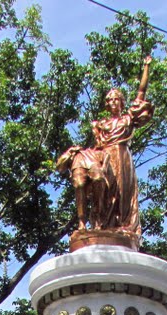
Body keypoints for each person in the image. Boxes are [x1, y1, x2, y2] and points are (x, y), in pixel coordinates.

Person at [56, 57, 153, 240]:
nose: (114, 102)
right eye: (110, 100)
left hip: (122, 156)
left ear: (122, 102)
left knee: (122, 193)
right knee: (105, 190)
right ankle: (101, 224)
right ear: (107, 104)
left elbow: (141, 92)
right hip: (105, 156)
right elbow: (96, 147)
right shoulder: (101, 124)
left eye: (117, 99)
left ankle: (122, 225)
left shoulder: (127, 119)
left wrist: (146, 67)